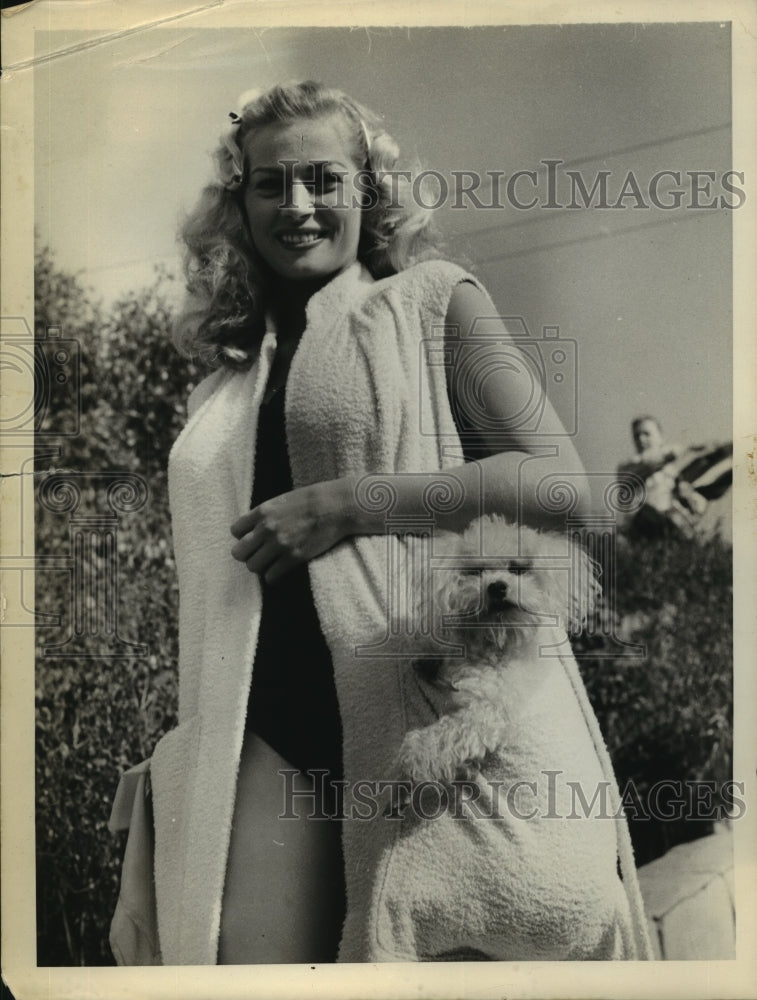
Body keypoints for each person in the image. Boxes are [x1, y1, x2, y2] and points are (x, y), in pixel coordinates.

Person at [118, 80, 651, 965]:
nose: (297, 206)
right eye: (269, 184)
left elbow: (566, 484)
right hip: (266, 730)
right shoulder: (225, 382)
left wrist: (350, 502)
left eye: (323, 179)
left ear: (367, 190)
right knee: (243, 974)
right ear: (238, 203)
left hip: (423, 711)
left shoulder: (435, 299)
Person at [617, 416, 710, 540]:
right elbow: (649, 464)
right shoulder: (627, 467)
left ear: (661, 437)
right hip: (640, 526)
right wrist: (686, 449)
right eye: (636, 435)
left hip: (669, 523)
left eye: (646, 434)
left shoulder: (672, 469)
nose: (641, 439)